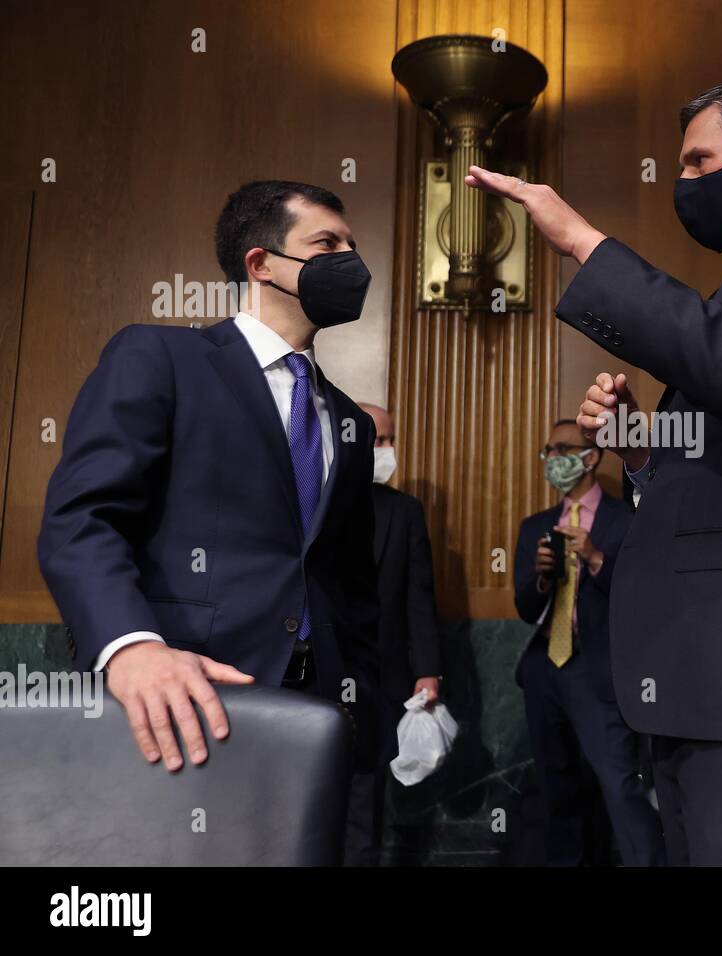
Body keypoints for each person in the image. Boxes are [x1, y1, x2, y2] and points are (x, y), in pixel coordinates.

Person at [471, 81, 722, 865]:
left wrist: (580, 243)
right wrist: (640, 450)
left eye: (699, 160)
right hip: (707, 683)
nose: (683, 183)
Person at [38, 180, 380, 773]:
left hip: (316, 721)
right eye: (327, 244)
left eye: (352, 245)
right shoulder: (160, 357)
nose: (350, 261)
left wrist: (362, 696)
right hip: (178, 698)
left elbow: (350, 578)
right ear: (262, 264)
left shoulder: (351, 421)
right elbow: (82, 520)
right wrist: (131, 647)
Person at [512, 420, 666, 866]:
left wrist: (596, 557)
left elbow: (644, 599)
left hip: (598, 671)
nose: (554, 458)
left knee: (620, 786)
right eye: (549, 450)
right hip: (544, 668)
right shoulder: (535, 526)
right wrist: (541, 579)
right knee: (556, 789)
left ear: (592, 456)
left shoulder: (626, 521)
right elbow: (525, 607)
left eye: (564, 448)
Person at [344, 403, 443, 865]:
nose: (387, 450)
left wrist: (427, 672)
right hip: (311, 675)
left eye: (389, 440)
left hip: (378, 680)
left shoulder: (404, 512)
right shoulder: (311, 497)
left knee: (365, 804)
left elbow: (418, 598)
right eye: (378, 440)